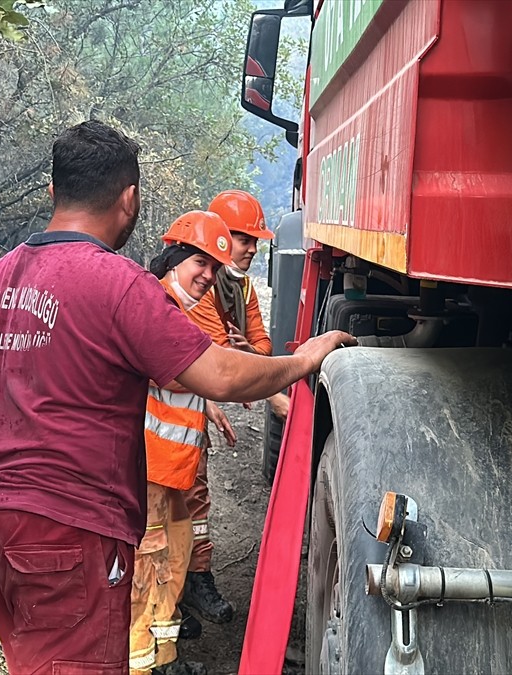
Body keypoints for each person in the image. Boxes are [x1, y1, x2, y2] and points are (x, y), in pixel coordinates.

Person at [0, 120, 353, 674]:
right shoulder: (118, 284)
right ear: (130, 198)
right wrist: (306, 359)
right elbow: (222, 376)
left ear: (52, 192)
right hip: (67, 535)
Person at [130, 211, 237, 675]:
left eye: (215, 270)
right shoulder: (156, 307)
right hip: (150, 471)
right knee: (144, 572)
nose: (207, 277)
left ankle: (167, 660)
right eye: (200, 262)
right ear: (174, 257)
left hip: (173, 471)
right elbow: (197, 372)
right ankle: (138, 665)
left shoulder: (178, 313)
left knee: (170, 566)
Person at [179, 190, 285, 625]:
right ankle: (178, 592)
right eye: (245, 239)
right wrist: (272, 392)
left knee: (192, 499)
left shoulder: (238, 288)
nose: (253, 250)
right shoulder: (199, 287)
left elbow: (259, 344)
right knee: (173, 503)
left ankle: (193, 580)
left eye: (256, 241)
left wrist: (246, 353)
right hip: (175, 411)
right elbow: (219, 366)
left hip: (188, 411)